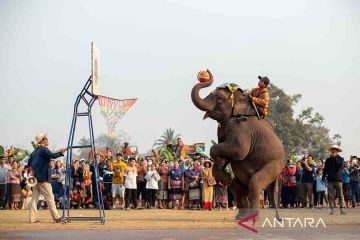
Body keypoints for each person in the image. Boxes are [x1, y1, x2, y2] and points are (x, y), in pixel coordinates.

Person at [27, 133, 66, 223]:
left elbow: (29, 165)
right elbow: (52, 155)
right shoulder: (43, 149)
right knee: (50, 198)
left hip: (35, 179)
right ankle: (56, 217)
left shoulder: (33, 152)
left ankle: (32, 218)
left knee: (34, 199)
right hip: (43, 179)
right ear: (42, 141)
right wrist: (61, 152)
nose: (47, 140)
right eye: (46, 138)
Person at [322, 145, 346, 215]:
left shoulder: (341, 159)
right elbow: (325, 170)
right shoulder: (328, 160)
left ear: (337, 151)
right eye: (332, 149)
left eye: (335, 149)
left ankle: (342, 209)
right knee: (331, 195)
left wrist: (335, 157)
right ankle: (332, 209)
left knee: (340, 195)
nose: (333, 150)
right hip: (330, 180)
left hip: (338, 179)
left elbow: (339, 165)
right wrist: (323, 178)